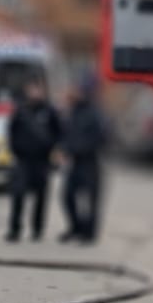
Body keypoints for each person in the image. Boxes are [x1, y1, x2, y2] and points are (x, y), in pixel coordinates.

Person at [6, 79, 62, 242]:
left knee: (41, 197)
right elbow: (11, 132)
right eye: (32, 89)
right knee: (18, 194)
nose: (35, 93)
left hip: (42, 160)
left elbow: (59, 133)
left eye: (38, 89)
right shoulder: (21, 110)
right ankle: (15, 229)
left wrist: (55, 150)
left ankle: (37, 230)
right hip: (23, 159)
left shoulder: (50, 111)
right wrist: (15, 151)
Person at [60, 74, 108, 243]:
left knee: (90, 201)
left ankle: (89, 234)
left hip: (90, 162)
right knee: (67, 197)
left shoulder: (95, 113)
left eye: (77, 89)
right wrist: (65, 149)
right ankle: (75, 228)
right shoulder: (73, 111)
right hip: (74, 162)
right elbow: (66, 134)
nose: (73, 92)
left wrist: (80, 148)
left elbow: (102, 137)